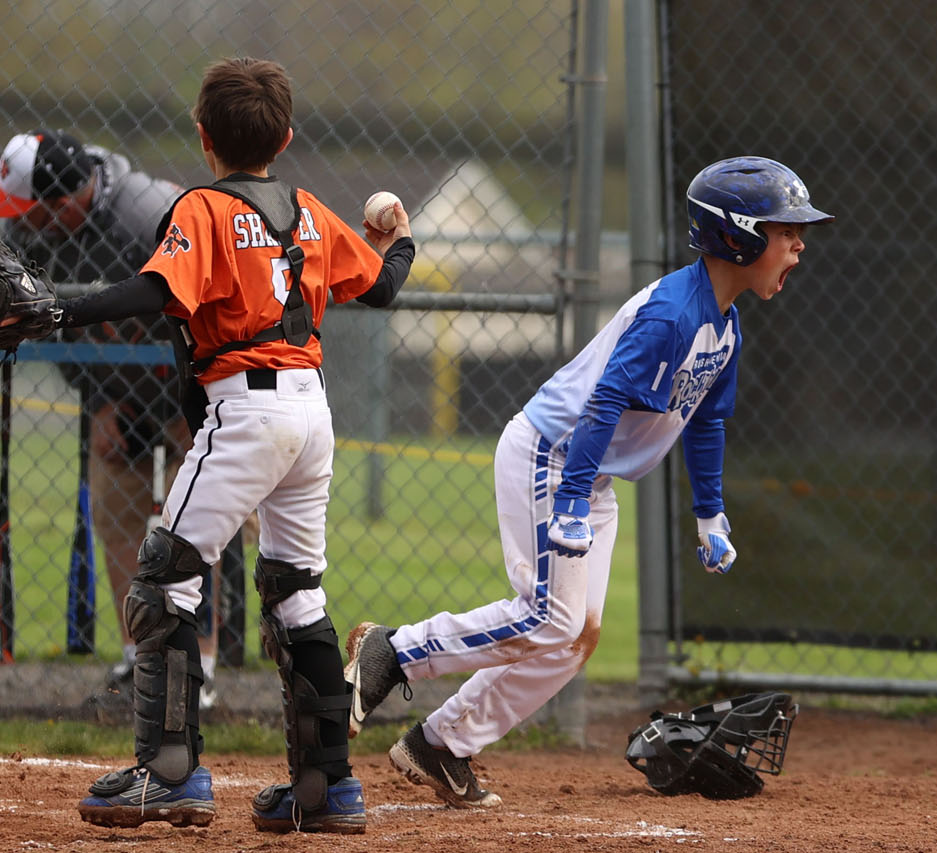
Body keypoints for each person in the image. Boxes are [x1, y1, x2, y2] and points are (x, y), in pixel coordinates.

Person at [343, 156, 832, 809]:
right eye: (783, 230)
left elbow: (707, 421)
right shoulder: (673, 316)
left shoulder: (722, 326)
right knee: (547, 617)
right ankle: (392, 652)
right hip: (552, 458)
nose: (798, 243)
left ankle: (442, 744)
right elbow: (603, 404)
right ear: (737, 235)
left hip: (588, 476)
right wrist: (571, 500)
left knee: (574, 636)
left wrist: (710, 516)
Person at [49, 56, 417, 833]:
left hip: (246, 414)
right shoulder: (310, 211)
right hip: (312, 416)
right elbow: (383, 286)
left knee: (162, 582)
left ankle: (170, 772)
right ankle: (326, 791)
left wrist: (60, 311)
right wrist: (402, 239)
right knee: (296, 592)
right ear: (285, 137)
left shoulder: (204, 208)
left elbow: (157, 292)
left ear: (203, 134)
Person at [0, 128, 226, 708]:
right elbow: (46, 324)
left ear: (61, 206)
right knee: (116, 514)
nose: (13, 222)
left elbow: (218, 297)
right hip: (121, 394)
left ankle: (201, 669)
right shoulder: (33, 233)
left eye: (23, 210)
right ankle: (141, 658)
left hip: (194, 384)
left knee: (203, 527)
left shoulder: (145, 218)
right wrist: (98, 404)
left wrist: (206, 398)